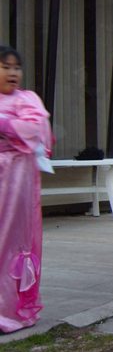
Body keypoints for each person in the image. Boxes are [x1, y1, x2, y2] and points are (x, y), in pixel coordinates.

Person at [0, 46, 53, 333]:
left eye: (16, 67)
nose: (13, 73)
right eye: (5, 67)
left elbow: (36, 130)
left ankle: (10, 312)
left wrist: (5, 124)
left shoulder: (27, 99)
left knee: (11, 241)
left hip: (16, 180)